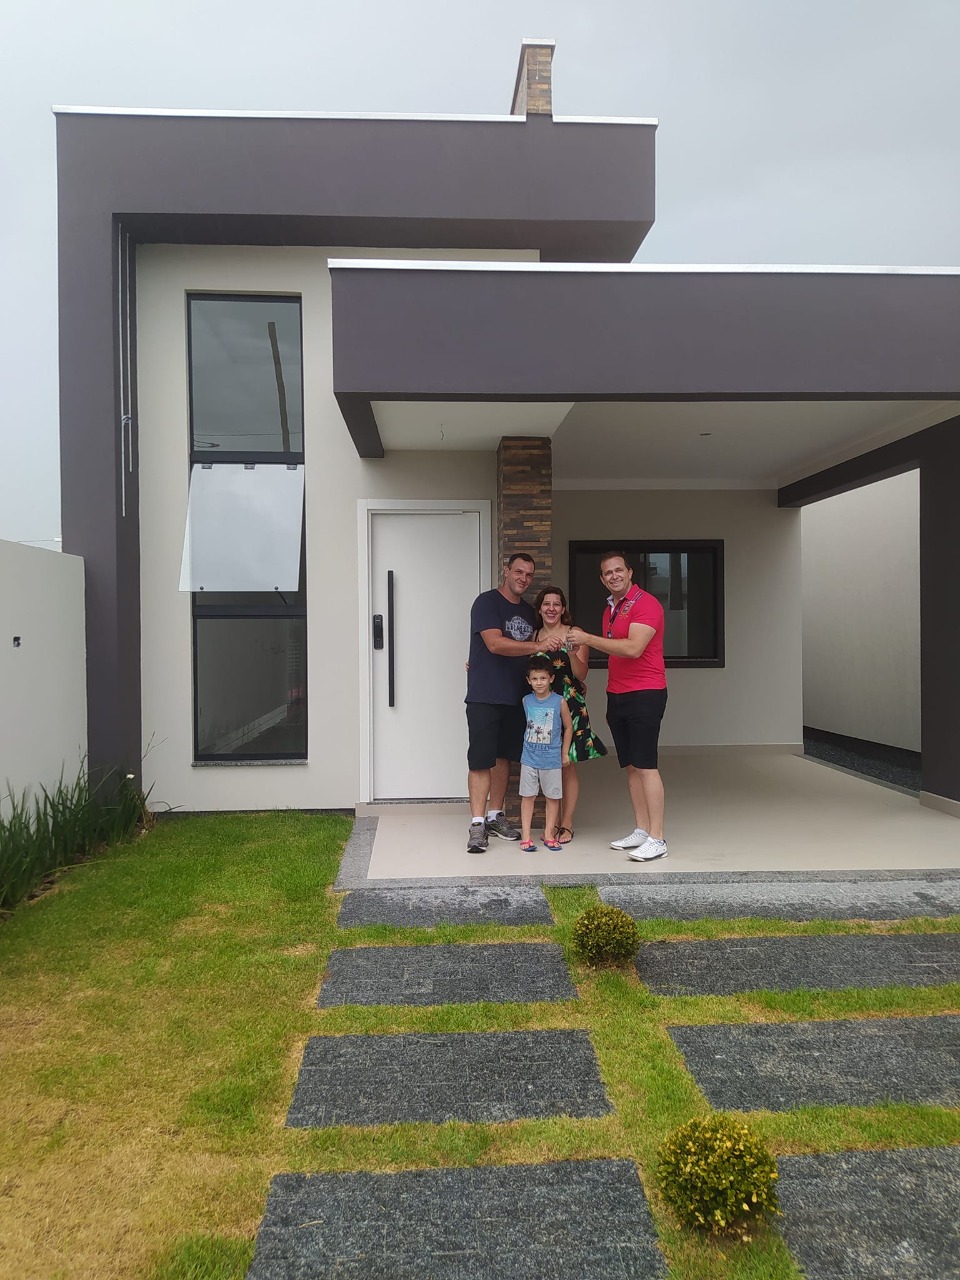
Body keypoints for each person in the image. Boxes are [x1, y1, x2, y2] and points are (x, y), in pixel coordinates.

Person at [565, 551, 668, 862]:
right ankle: (642, 829)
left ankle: (658, 838)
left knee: (646, 765)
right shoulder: (611, 609)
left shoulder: (646, 604)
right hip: (618, 693)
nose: (614, 576)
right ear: (602, 579)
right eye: (607, 572)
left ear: (630, 572)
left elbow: (633, 648)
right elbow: (614, 650)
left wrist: (587, 639)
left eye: (618, 570)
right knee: (631, 766)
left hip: (645, 692)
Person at [465, 553, 561, 853]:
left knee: (504, 758)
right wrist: (537, 645)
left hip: (517, 698)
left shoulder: (530, 612)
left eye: (529, 574)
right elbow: (494, 644)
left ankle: (495, 816)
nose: (524, 578)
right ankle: (477, 824)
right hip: (484, 695)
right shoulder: (486, 602)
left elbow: (538, 654)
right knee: (481, 759)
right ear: (506, 571)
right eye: (519, 572)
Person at [532, 584, 607, 843]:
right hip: (542, 709)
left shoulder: (575, 633)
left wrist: (572, 651)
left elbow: (581, 674)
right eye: (546, 604)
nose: (551, 608)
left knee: (567, 765)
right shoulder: (534, 636)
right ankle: (551, 822)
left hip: (570, 705)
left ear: (563, 608)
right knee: (546, 766)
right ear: (539, 609)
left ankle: (567, 823)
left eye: (556, 604)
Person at [518, 656, 573, 852]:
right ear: (528, 681)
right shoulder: (526, 700)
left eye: (543, 678)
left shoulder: (559, 701)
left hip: (551, 759)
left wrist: (564, 753)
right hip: (529, 758)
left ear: (551, 678)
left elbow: (568, 727)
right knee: (528, 797)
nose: (539, 682)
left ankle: (549, 834)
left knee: (552, 797)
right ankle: (526, 837)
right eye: (534, 679)